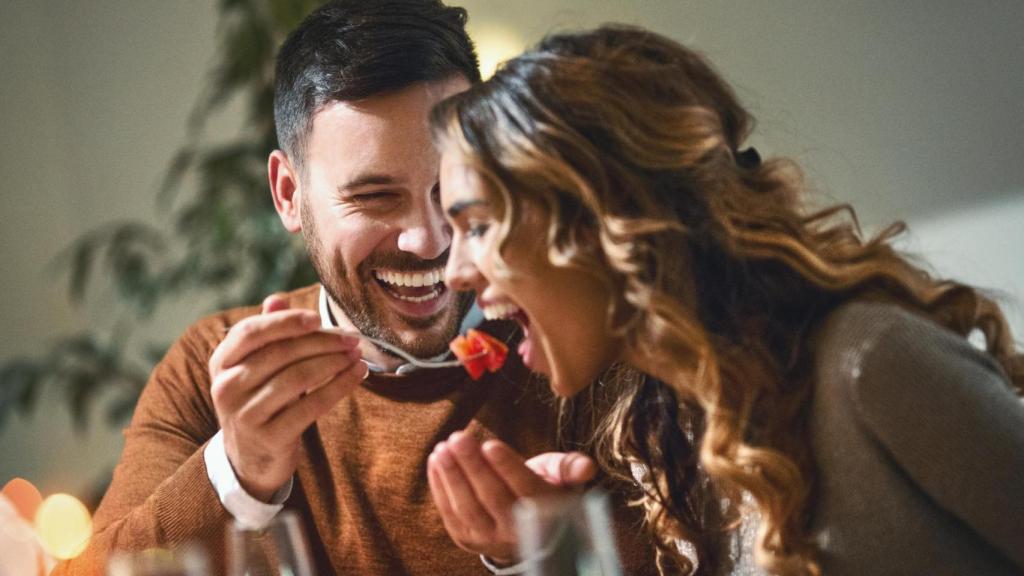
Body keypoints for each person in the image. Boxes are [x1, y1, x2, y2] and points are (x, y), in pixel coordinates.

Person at [53, 4, 661, 575]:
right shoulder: (212, 367)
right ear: (288, 194)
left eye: (452, 187)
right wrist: (239, 472)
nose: (428, 240)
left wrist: (549, 551)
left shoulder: (576, 340)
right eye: (375, 197)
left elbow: (690, 551)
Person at [428, 25, 1024, 575]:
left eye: (477, 226)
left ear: (603, 215)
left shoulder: (869, 363)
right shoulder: (671, 432)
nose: (455, 273)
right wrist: (554, 547)